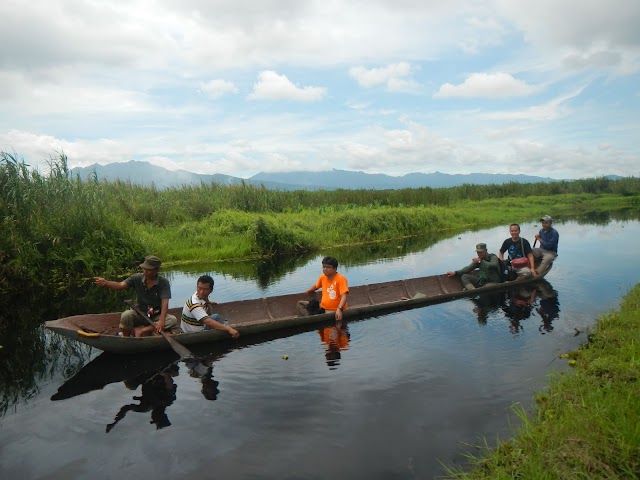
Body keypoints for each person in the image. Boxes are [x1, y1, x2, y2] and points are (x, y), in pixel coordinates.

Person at [95, 255, 178, 337]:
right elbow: (120, 285)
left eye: (148, 270)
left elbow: (165, 303)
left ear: (156, 270)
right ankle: (126, 339)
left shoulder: (163, 283)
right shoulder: (137, 278)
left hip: (155, 315)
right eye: (144, 269)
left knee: (172, 320)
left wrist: (161, 320)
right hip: (139, 313)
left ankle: (142, 330)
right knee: (126, 315)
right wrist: (106, 283)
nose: (145, 271)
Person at [297, 256, 349, 323]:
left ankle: (311, 319)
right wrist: (306, 292)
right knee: (300, 304)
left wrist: (339, 309)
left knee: (320, 314)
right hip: (322, 307)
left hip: (333, 310)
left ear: (335, 269)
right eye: (324, 267)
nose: (325, 269)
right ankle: (310, 318)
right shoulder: (322, 277)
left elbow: (344, 296)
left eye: (328, 267)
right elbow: (315, 286)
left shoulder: (341, 279)